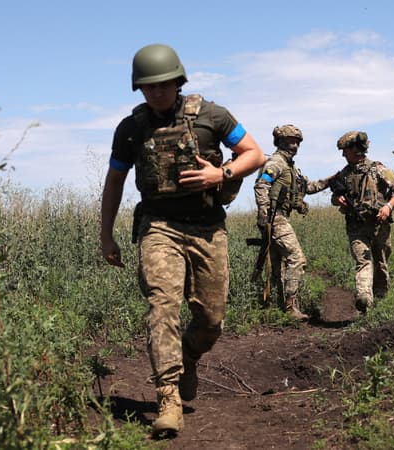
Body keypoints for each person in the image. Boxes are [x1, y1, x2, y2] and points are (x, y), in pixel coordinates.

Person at [100, 43, 265, 436]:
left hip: (208, 227)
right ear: (139, 89)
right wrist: (106, 235)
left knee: (211, 321)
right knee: (163, 307)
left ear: (178, 81)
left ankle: (188, 356)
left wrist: (220, 175)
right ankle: (168, 395)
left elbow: (253, 155)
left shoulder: (212, 116)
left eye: (163, 84)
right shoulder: (131, 129)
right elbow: (114, 182)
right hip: (159, 227)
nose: (156, 93)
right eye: (147, 87)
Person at [253, 124, 332, 320]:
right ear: (280, 141)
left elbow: (309, 187)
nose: (295, 145)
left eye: (297, 141)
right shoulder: (276, 163)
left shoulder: (291, 168)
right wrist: (264, 210)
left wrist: (332, 180)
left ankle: (275, 308)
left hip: (280, 217)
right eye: (290, 140)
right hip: (275, 218)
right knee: (297, 259)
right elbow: (261, 185)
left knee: (278, 266)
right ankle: (290, 307)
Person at [329, 131, 394, 314]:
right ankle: (364, 297)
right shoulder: (343, 174)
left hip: (380, 224)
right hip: (356, 226)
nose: (343, 154)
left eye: (345, 150)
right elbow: (334, 196)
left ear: (356, 149)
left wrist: (388, 207)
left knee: (381, 262)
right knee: (363, 260)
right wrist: (336, 199)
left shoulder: (378, 169)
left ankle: (381, 300)